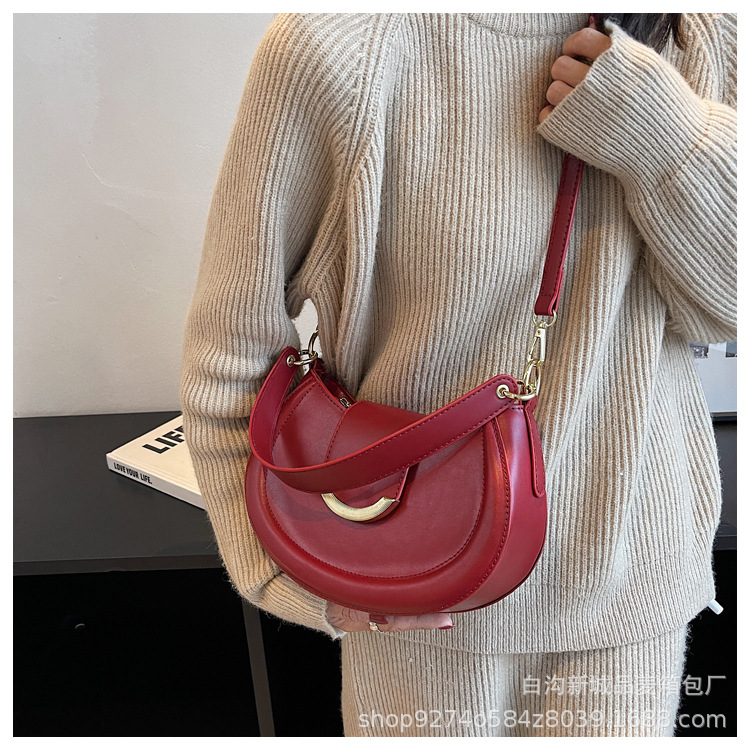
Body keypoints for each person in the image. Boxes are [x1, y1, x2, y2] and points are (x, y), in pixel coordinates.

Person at [179, 13, 736, 737]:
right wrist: (291, 576)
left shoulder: (699, 36)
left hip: (632, 602)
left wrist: (669, 140)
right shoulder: (339, 50)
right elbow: (230, 356)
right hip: (415, 598)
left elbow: (726, 310)